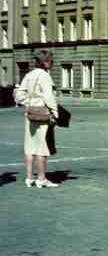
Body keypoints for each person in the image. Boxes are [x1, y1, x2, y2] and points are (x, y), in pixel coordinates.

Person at [14, 49, 60, 188]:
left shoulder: (29, 74)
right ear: (45, 62)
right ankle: (41, 178)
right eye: (51, 60)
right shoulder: (44, 76)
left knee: (30, 146)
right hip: (43, 114)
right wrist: (55, 112)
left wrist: (29, 103)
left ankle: (29, 177)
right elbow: (48, 96)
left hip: (30, 113)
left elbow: (19, 94)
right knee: (42, 146)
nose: (52, 62)